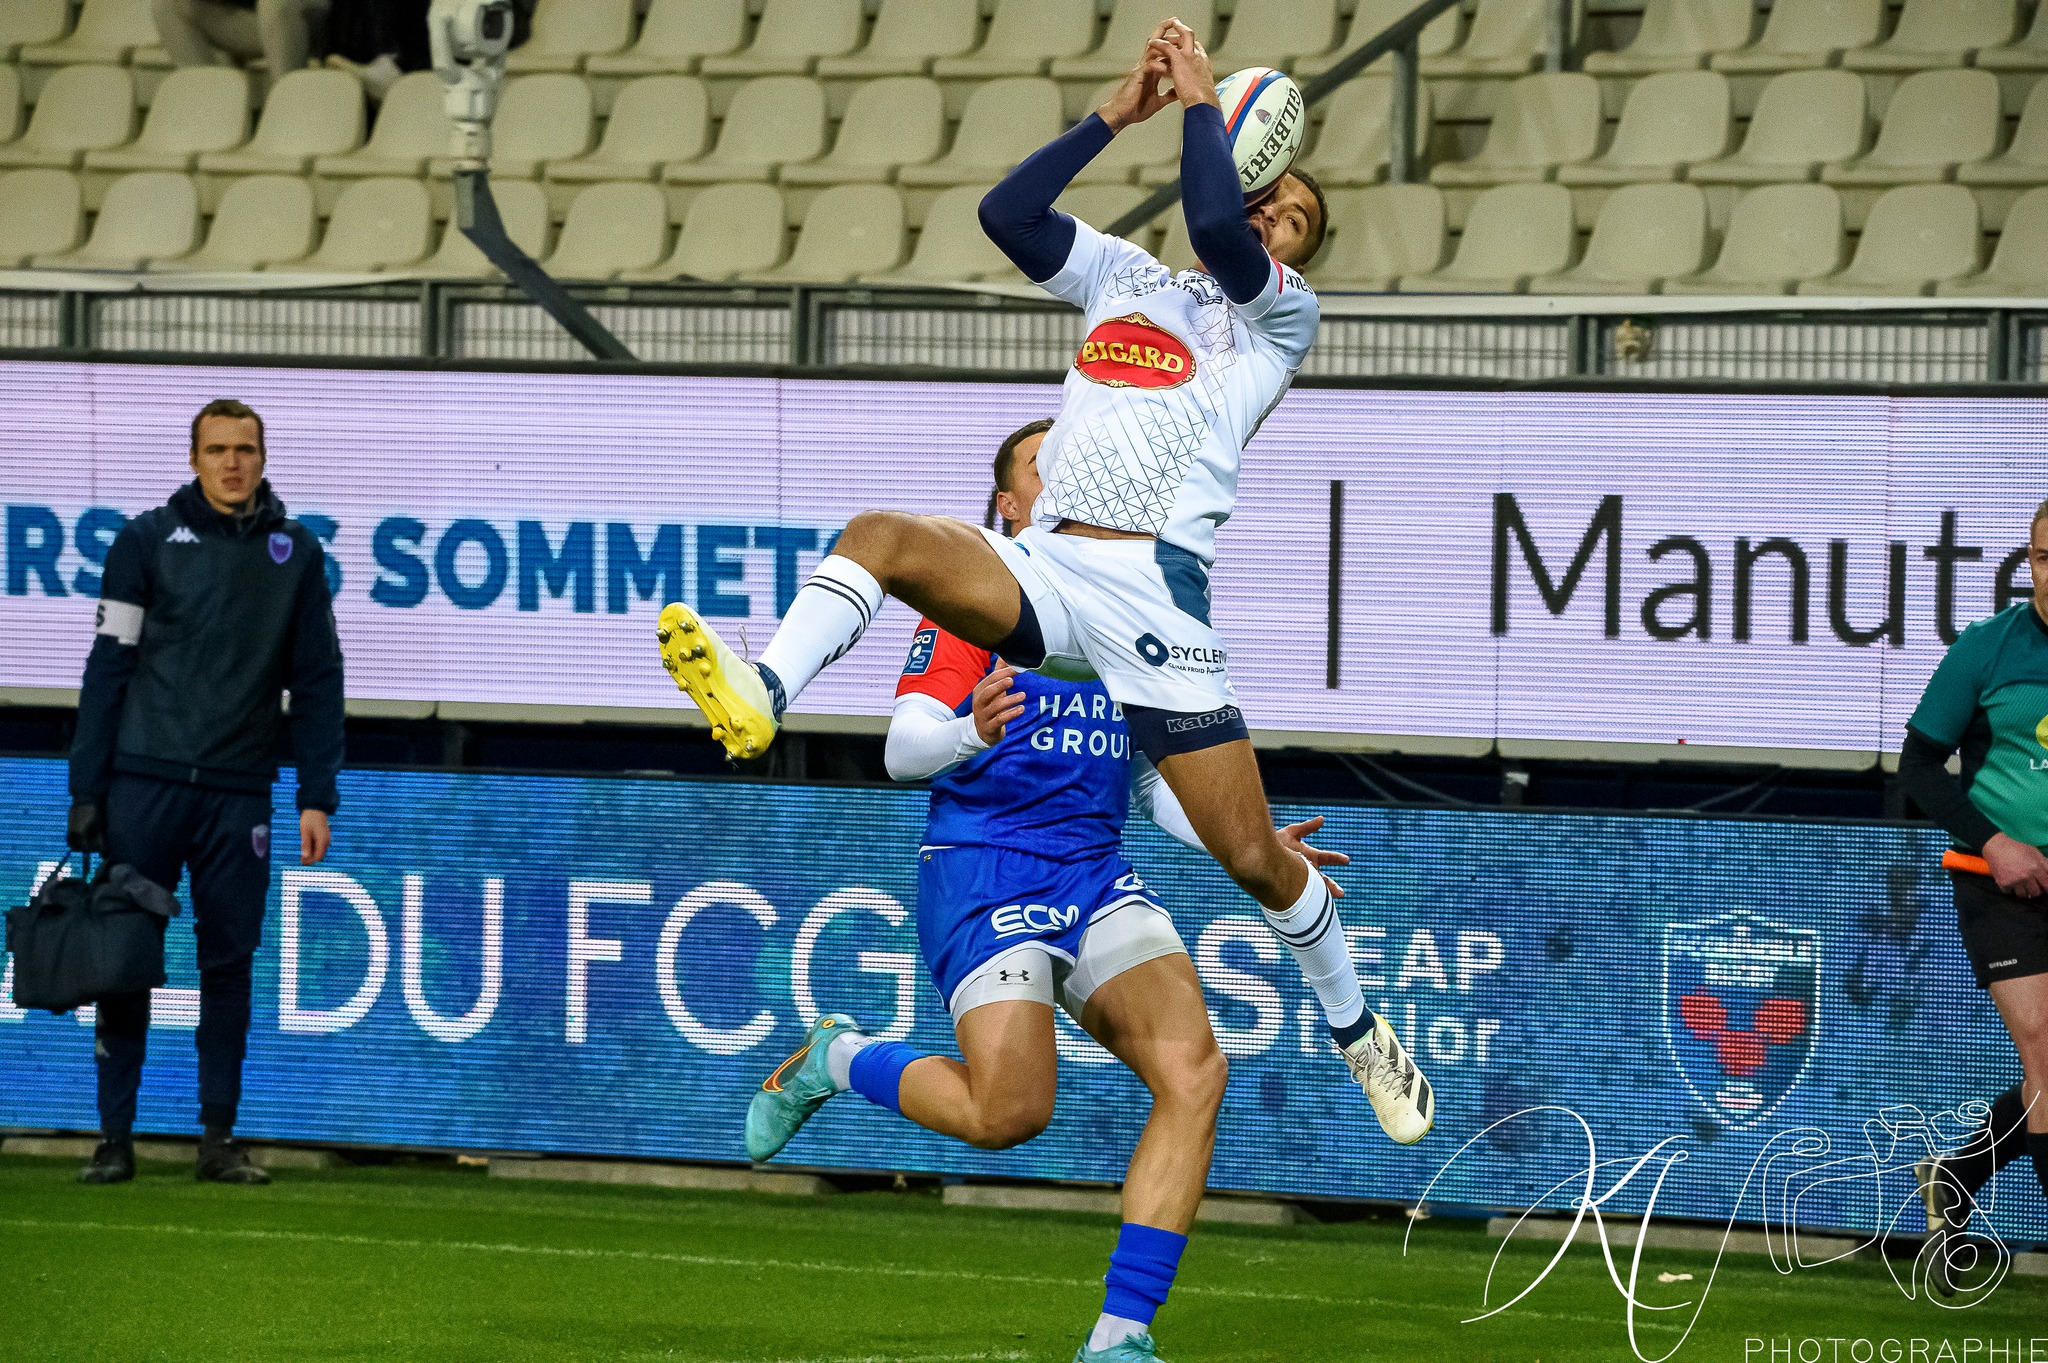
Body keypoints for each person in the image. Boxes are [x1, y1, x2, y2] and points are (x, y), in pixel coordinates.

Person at [657, 19, 1433, 1144]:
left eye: (1296, 219)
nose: (1274, 216)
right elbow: (1005, 217)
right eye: (1274, 199)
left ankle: (1357, 1031)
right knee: (880, 531)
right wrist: (1112, 117)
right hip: (1052, 561)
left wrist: (1205, 103)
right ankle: (760, 694)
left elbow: (1217, 220)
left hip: (1154, 595)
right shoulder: (1125, 276)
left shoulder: (1277, 319)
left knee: (1258, 858)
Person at [744, 419, 1348, 1363]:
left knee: (1195, 1071)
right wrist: (971, 733)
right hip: (985, 866)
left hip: (1095, 869)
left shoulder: (1133, 615)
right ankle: (837, 1057)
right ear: (1013, 506)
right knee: (1008, 1114)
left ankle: (1120, 1335)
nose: (1070, 460)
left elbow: (1154, 790)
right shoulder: (972, 607)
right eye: (1042, 457)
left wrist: (1253, 840)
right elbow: (904, 751)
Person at [66, 399, 345, 1187]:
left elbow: (319, 680)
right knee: (123, 961)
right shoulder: (145, 541)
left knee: (230, 965)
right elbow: (107, 667)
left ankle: (217, 1139)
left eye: (245, 449)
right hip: (143, 783)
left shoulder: (297, 555)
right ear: (193, 458)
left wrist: (316, 793)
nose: (232, 463)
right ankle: (114, 1139)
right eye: (218, 449)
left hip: (238, 794)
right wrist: (86, 788)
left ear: (263, 457)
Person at [1906, 499, 2048, 1285]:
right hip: (2000, 885)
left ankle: (1958, 1175)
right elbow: (1920, 765)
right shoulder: (1986, 648)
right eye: (2040, 557)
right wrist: (1995, 844)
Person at [152, 0, 330, 96]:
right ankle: (205, 104)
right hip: (258, 19)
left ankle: (288, 106)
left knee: (274, 4)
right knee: (167, 3)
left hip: (321, 21)